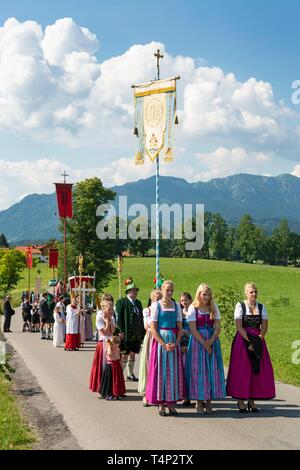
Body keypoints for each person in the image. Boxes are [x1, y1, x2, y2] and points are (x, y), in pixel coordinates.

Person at [226, 282, 276, 412]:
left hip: (258, 339)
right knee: (242, 370)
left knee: (255, 370)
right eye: (251, 292)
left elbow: (264, 327)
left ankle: (252, 400)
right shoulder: (240, 306)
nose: (253, 294)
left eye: (255, 292)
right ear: (245, 293)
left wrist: (258, 341)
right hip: (243, 341)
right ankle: (241, 400)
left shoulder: (261, 306)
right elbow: (239, 327)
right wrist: (250, 342)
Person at [185, 283, 226, 414]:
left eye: (208, 294)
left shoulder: (213, 307)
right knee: (198, 372)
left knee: (211, 370)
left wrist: (211, 341)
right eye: (204, 294)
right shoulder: (193, 308)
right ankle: (198, 401)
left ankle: (209, 401)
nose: (206, 297)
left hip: (212, 340)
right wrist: (204, 343)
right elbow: (192, 329)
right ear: (199, 294)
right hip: (198, 342)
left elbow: (218, 327)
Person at [146, 280, 184, 416]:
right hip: (161, 342)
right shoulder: (156, 306)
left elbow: (180, 328)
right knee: (161, 372)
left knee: (173, 373)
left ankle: (171, 403)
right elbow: (153, 328)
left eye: (171, 290)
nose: (169, 292)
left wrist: (176, 342)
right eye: (167, 290)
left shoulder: (177, 306)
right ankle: (161, 404)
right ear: (162, 290)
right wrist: (163, 343)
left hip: (173, 341)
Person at [116, 279, 144, 382]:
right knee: (124, 354)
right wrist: (121, 331)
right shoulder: (122, 302)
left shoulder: (139, 303)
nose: (135, 292)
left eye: (136, 290)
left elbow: (141, 317)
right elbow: (119, 318)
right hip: (126, 333)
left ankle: (130, 373)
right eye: (133, 290)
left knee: (133, 354)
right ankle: (119, 375)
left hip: (136, 334)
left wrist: (141, 332)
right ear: (128, 291)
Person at [138, 288, 162, 407]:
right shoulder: (147, 310)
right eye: (156, 299)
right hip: (151, 338)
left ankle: (159, 394)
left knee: (160, 366)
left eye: (160, 299)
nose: (158, 301)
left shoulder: (164, 309)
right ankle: (146, 394)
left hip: (161, 338)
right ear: (152, 299)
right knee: (148, 364)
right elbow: (147, 325)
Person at [89, 300, 115, 392]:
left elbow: (112, 331)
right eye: (109, 309)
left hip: (110, 341)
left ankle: (109, 385)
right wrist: (107, 321)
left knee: (111, 364)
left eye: (112, 309)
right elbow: (105, 331)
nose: (111, 311)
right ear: (104, 309)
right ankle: (100, 385)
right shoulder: (99, 318)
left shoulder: (112, 318)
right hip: (103, 341)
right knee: (102, 364)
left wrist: (110, 320)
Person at [99, 335, 126, 400]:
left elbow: (119, 358)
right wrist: (110, 346)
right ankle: (109, 394)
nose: (118, 345)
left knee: (118, 380)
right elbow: (109, 354)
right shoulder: (109, 348)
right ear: (113, 343)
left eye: (118, 344)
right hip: (110, 366)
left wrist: (121, 364)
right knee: (110, 381)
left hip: (117, 365)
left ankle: (118, 392)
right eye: (117, 343)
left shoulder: (118, 349)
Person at [179, 292, 193, 407]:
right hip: (183, 343)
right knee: (184, 370)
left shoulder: (193, 311)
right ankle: (186, 397)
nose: (184, 302)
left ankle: (197, 395)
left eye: (186, 300)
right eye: (182, 300)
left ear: (190, 300)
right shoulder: (180, 313)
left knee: (194, 370)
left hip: (193, 341)